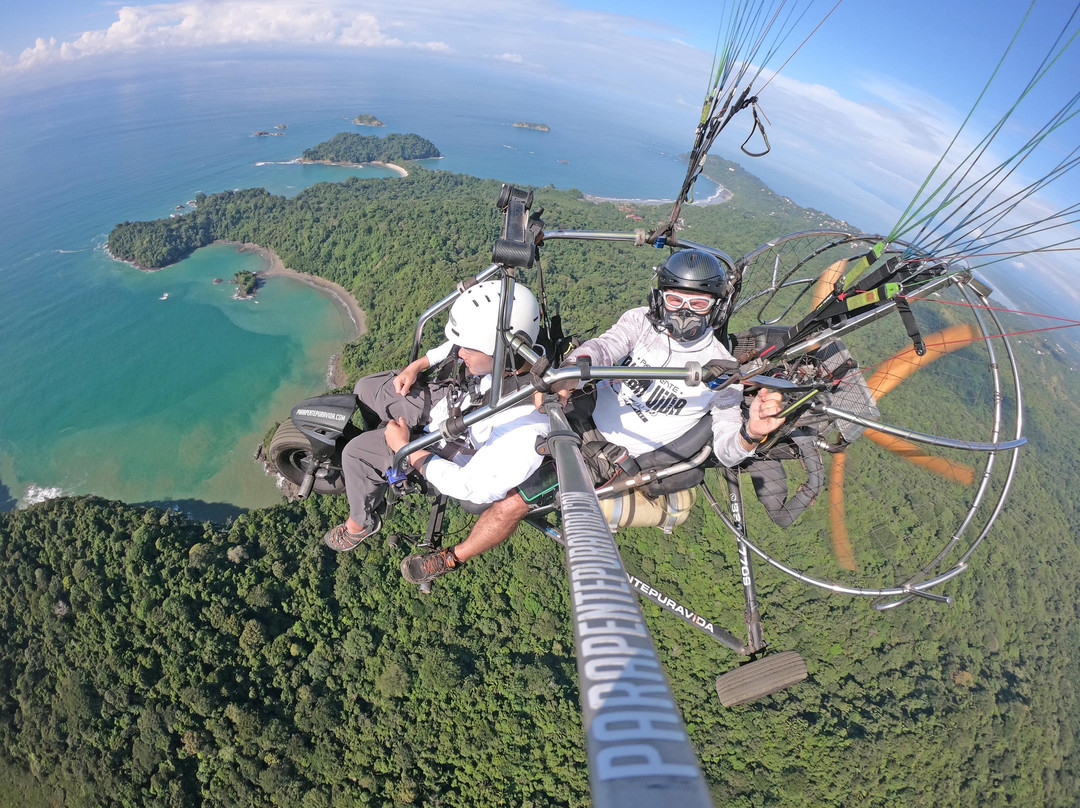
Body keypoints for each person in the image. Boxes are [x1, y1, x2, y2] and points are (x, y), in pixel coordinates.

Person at [398, 248, 787, 583]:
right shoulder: (641, 322)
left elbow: (727, 448)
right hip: (579, 409)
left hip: (603, 456)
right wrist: (571, 371)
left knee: (512, 504)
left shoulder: (720, 370)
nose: (684, 312)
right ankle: (448, 448)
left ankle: (451, 558)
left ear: (713, 307)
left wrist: (751, 434)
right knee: (500, 407)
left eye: (697, 303)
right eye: (675, 299)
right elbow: (603, 347)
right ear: (659, 299)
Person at [322, 279, 548, 556]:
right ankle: (376, 467)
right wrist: (416, 366)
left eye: (469, 350)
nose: (459, 352)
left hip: (453, 444)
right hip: (453, 403)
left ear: (503, 352)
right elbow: (453, 347)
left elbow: (470, 487)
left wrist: (404, 449)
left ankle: (361, 524)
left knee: (354, 453)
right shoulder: (508, 350)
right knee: (366, 389)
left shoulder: (525, 424)